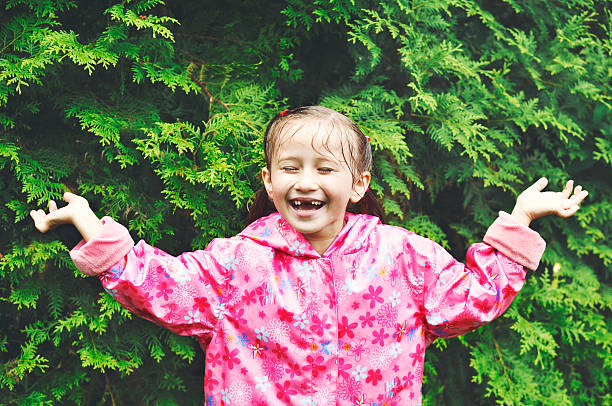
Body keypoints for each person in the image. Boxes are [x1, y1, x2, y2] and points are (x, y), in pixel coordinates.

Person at [30, 106, 588, 406]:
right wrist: (91, 229)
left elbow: (475, 297)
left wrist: (519, 220)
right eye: (291, 167)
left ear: (360, 183)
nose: (307, 181)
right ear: (269, 181)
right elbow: (160, 286)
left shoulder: (402, 257)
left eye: (326, 168)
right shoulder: (236, 264)